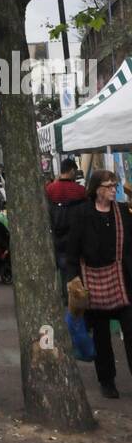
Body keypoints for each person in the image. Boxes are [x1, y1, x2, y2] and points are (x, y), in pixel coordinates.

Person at [65, 170, 132, 399]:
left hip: (122, 278)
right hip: (92, 279)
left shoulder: (123, 212)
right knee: (101, 336)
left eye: (115, 185)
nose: (114, 189)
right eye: (109, 185)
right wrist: (73, 280)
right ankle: (107, 381)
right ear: (97, 189)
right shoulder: (81, 214)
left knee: (131, 331)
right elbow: (71, 251)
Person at [45, 157, 87, 301]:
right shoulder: (80, 191)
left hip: (57, 235)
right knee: (74, 266)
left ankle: (64, 295)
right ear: (71, 171)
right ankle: (74, 295)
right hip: (76, 235)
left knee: (61, 266)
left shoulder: (50, 189)